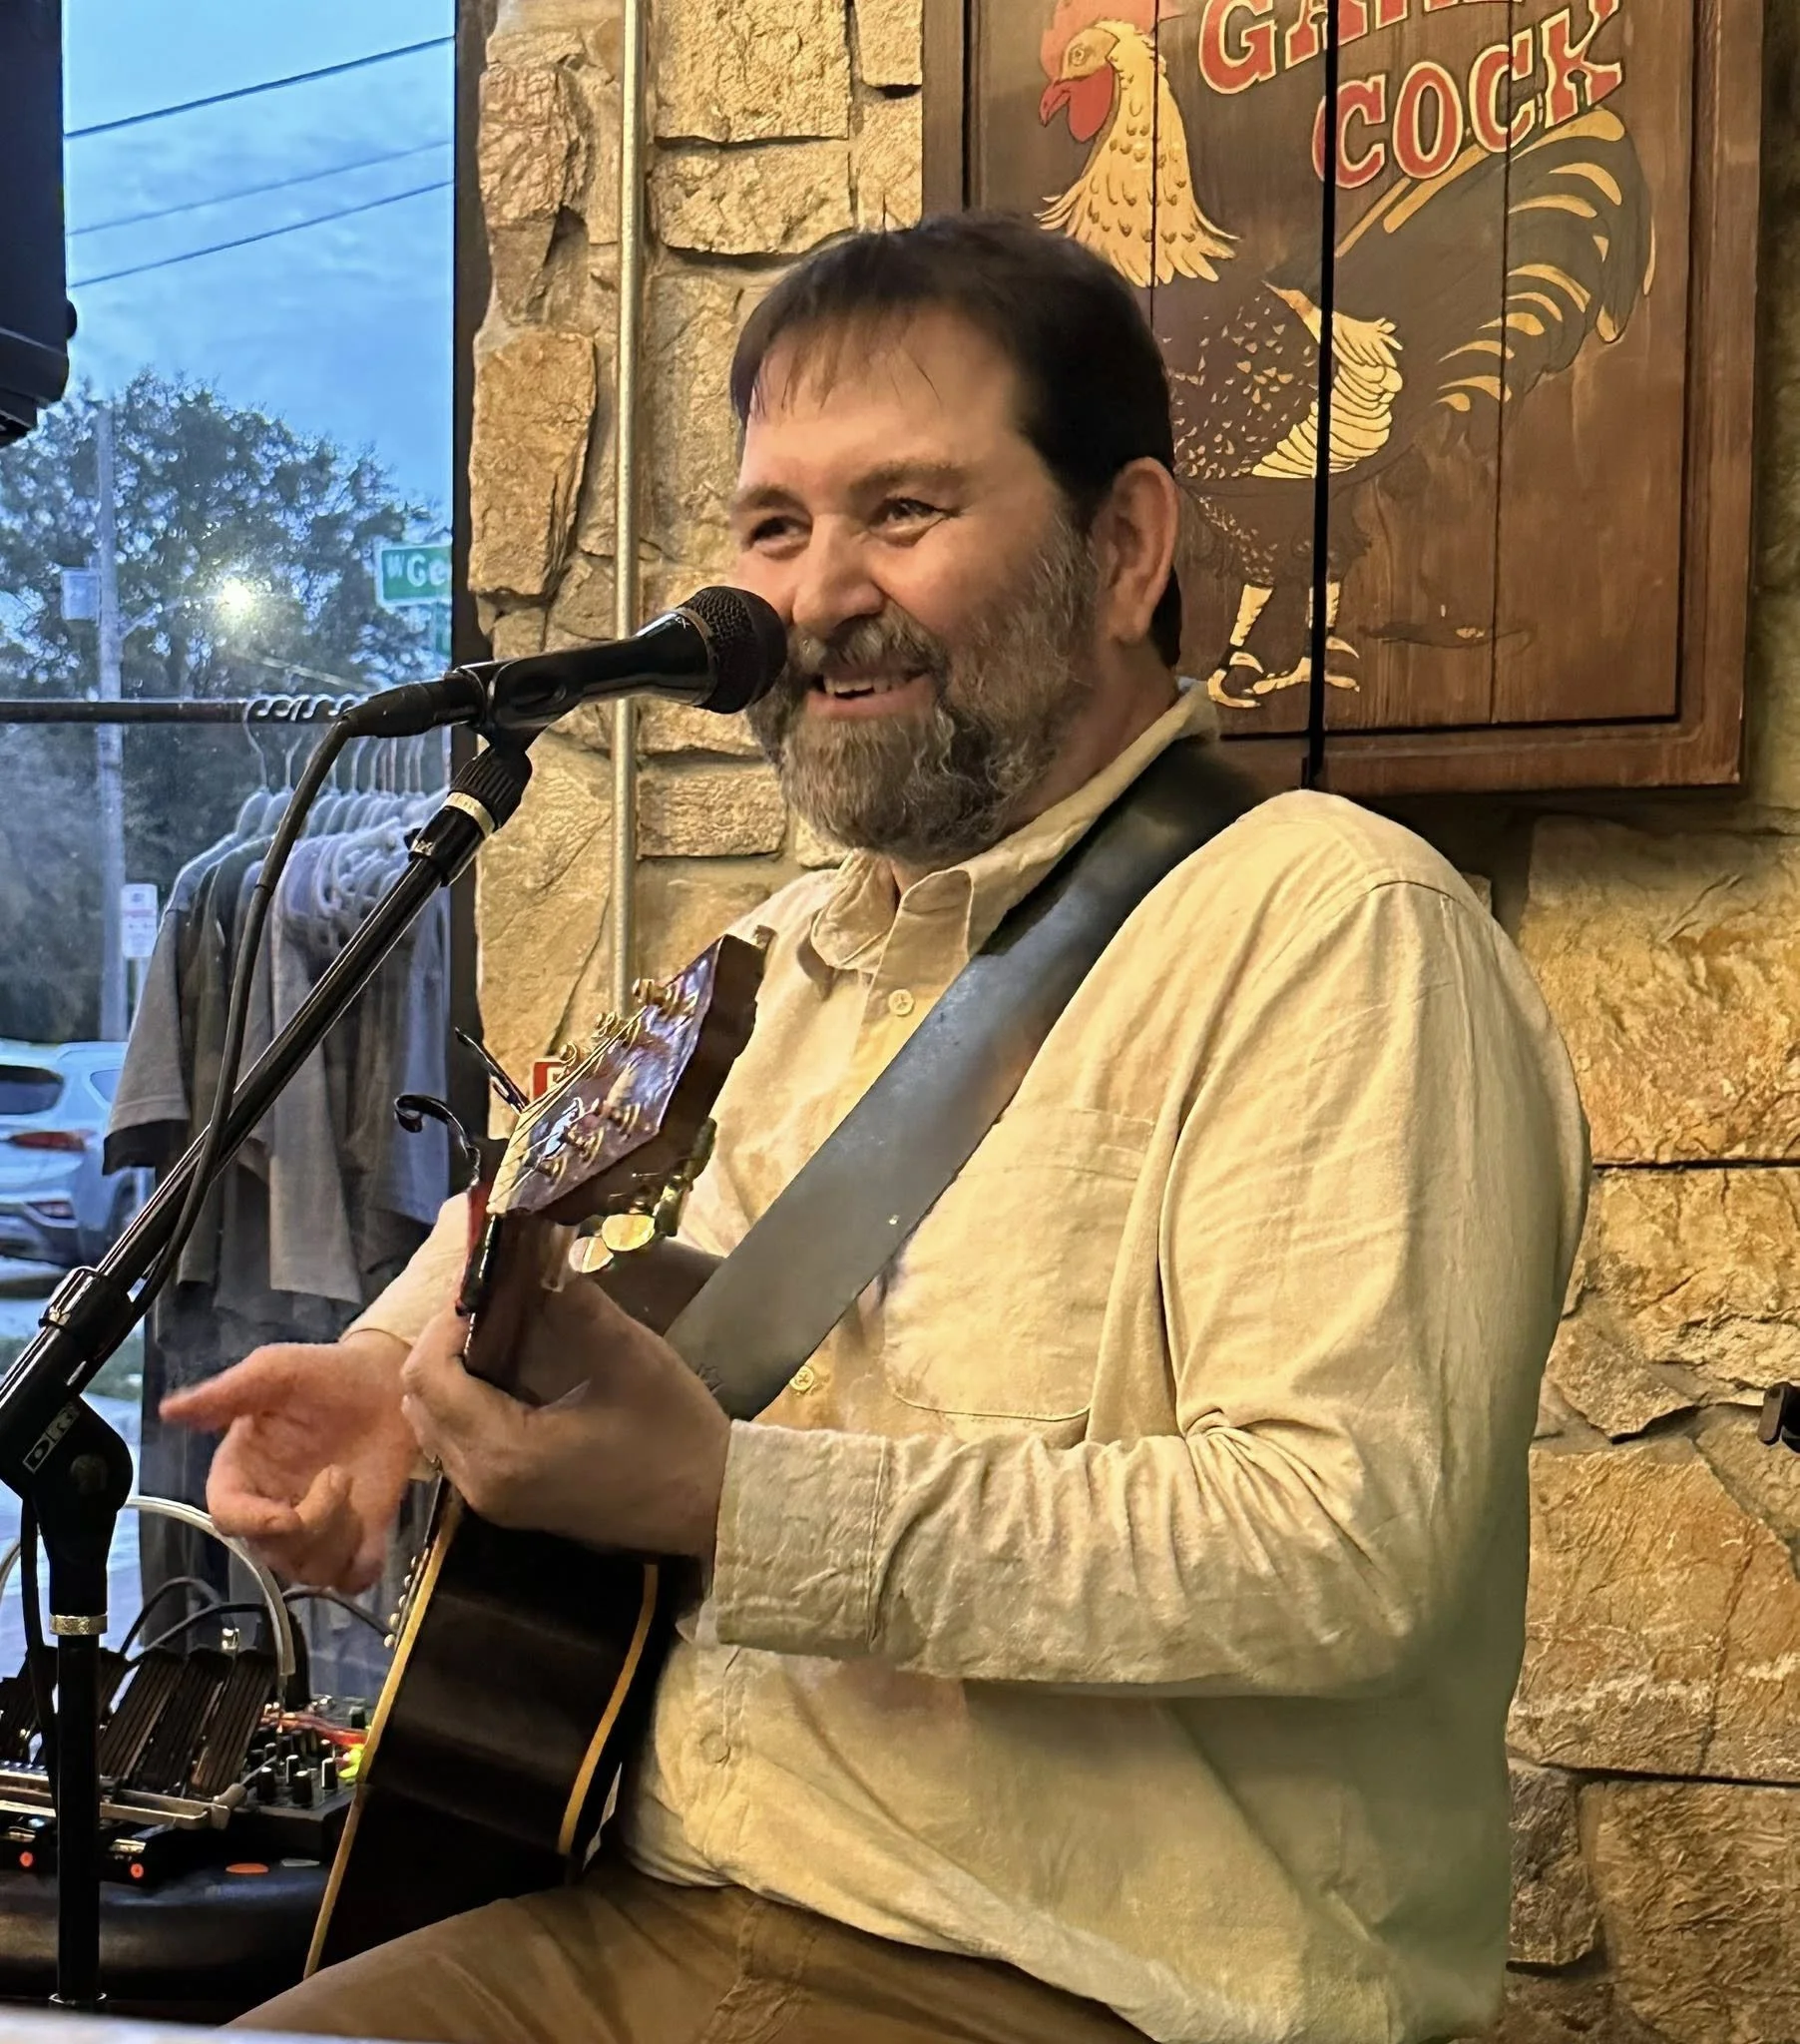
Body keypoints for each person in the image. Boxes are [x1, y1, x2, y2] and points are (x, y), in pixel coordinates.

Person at [165, 213, 1589, 2044]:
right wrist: (384, 1376)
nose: (814, 594)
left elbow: (1344, 1545)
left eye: (903, 512)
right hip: (648, 1902)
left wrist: (731, 1506)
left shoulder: (1335, 930)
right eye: (775, 526)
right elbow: (537, 1210)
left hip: (1088, 1982)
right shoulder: (779, 951)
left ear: (1125, 547)